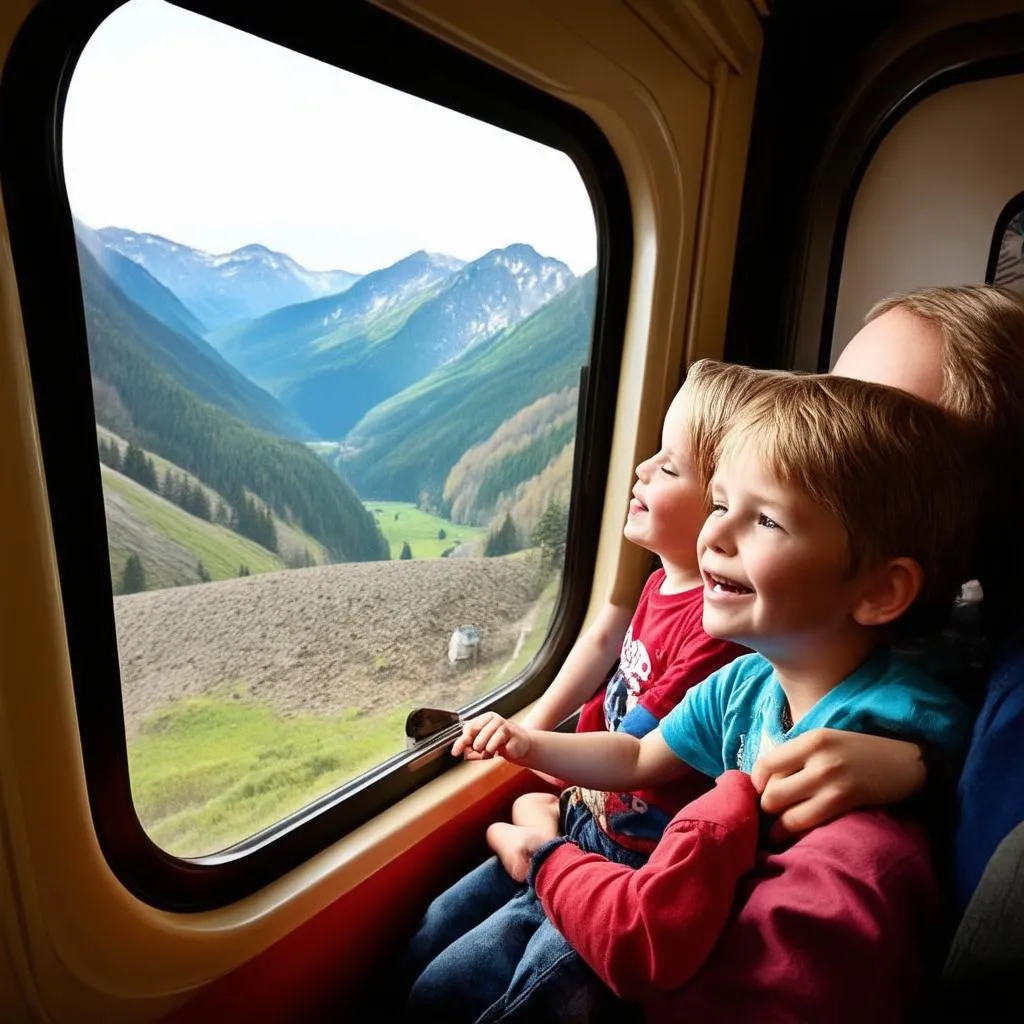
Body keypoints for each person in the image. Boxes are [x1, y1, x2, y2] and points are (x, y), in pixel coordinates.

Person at [408, 369, 976, 1023]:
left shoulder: (902, 710)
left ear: (879, 591)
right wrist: (527, 740)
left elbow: (963, 785)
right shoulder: (740, 685)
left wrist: (912, 767)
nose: (715, 535)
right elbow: (638, 760)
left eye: (763, 519)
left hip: (681, 917)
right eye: (718, 504)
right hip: (638, 874)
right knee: (439, 981)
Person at [528, 284, 1024, 1023]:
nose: (826, 431)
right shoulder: (771, 656)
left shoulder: (952, 674)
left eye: (882, 422)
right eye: (830, 394)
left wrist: (918, 765)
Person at [484, 360, 767, 883]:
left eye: (669, 468)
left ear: (718, 509)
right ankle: (543, 836)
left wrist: (536, 746)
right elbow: (600, 639)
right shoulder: (659, 583)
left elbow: (636, 746)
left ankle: (543, 850)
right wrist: (536, 722)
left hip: (635, 842)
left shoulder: (715, 632)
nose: (642, 468)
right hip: (592, 801)